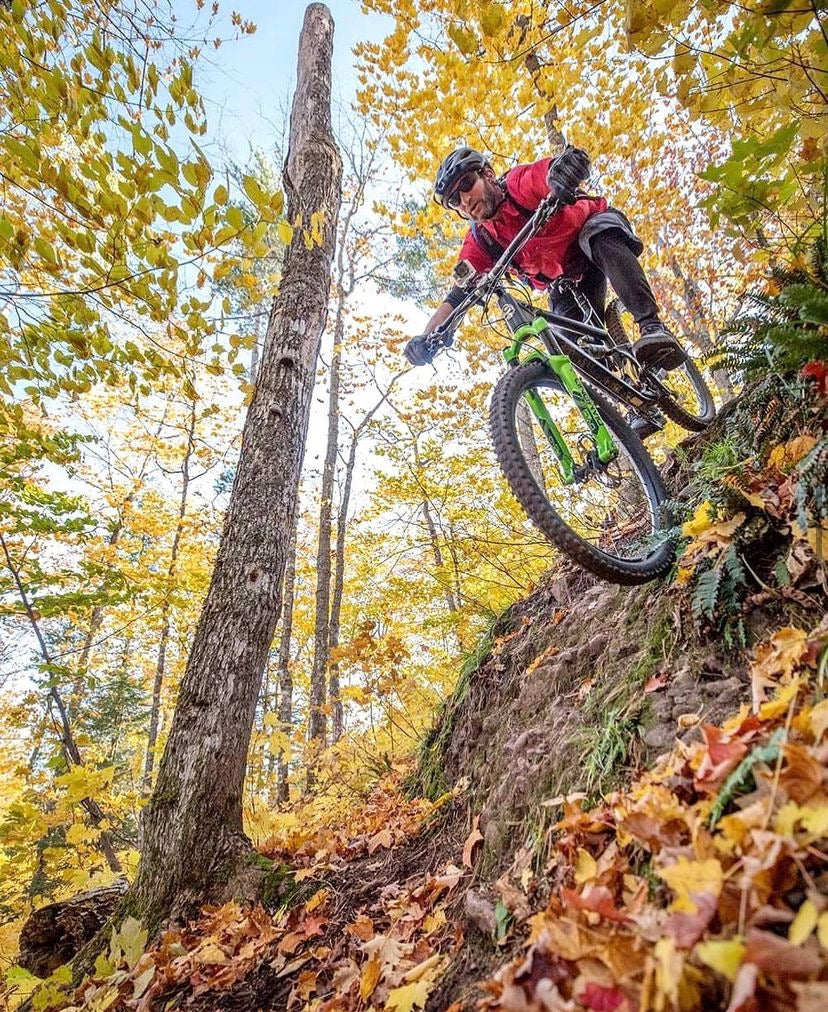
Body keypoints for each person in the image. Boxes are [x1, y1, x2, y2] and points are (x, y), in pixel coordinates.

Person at [404, 145, 687, 371]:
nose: (464, 200)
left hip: (593, 232)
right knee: (568, 345)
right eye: (455, 201)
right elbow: (455, 298)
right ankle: (635, 401)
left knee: (600, 238)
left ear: (488, 174)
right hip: (566, 279)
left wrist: (566, 169)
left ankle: (652, 328)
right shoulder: (481, 240)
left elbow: (547, 174)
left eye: (466, 184)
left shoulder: (517, 186)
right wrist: (427, 337)